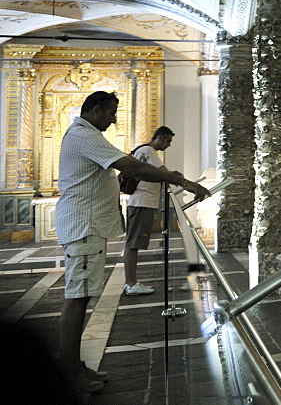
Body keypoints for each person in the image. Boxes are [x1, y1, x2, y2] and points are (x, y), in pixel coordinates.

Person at [55, 91, 209, 395]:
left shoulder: (84, 134)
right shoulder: (85, 135)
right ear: (96, 109)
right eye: (111, 112)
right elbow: (134, 167)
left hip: (87, 226)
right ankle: (70, 373)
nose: (114, 119)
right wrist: (184, 182)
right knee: (77, 298)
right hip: (83, 226)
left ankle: (74, 365)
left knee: (82, 295)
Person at [123, 125, 177, 296]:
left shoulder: (142, 150)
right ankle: (131, 284)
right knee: (133, 244)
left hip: (142, 202)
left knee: (134, 243)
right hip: (141, 202)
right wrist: (182, 180)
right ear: (160, 138)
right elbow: (164, 173)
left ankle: (131, 282)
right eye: (168, 141)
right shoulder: (148, 151)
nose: (169, 145)